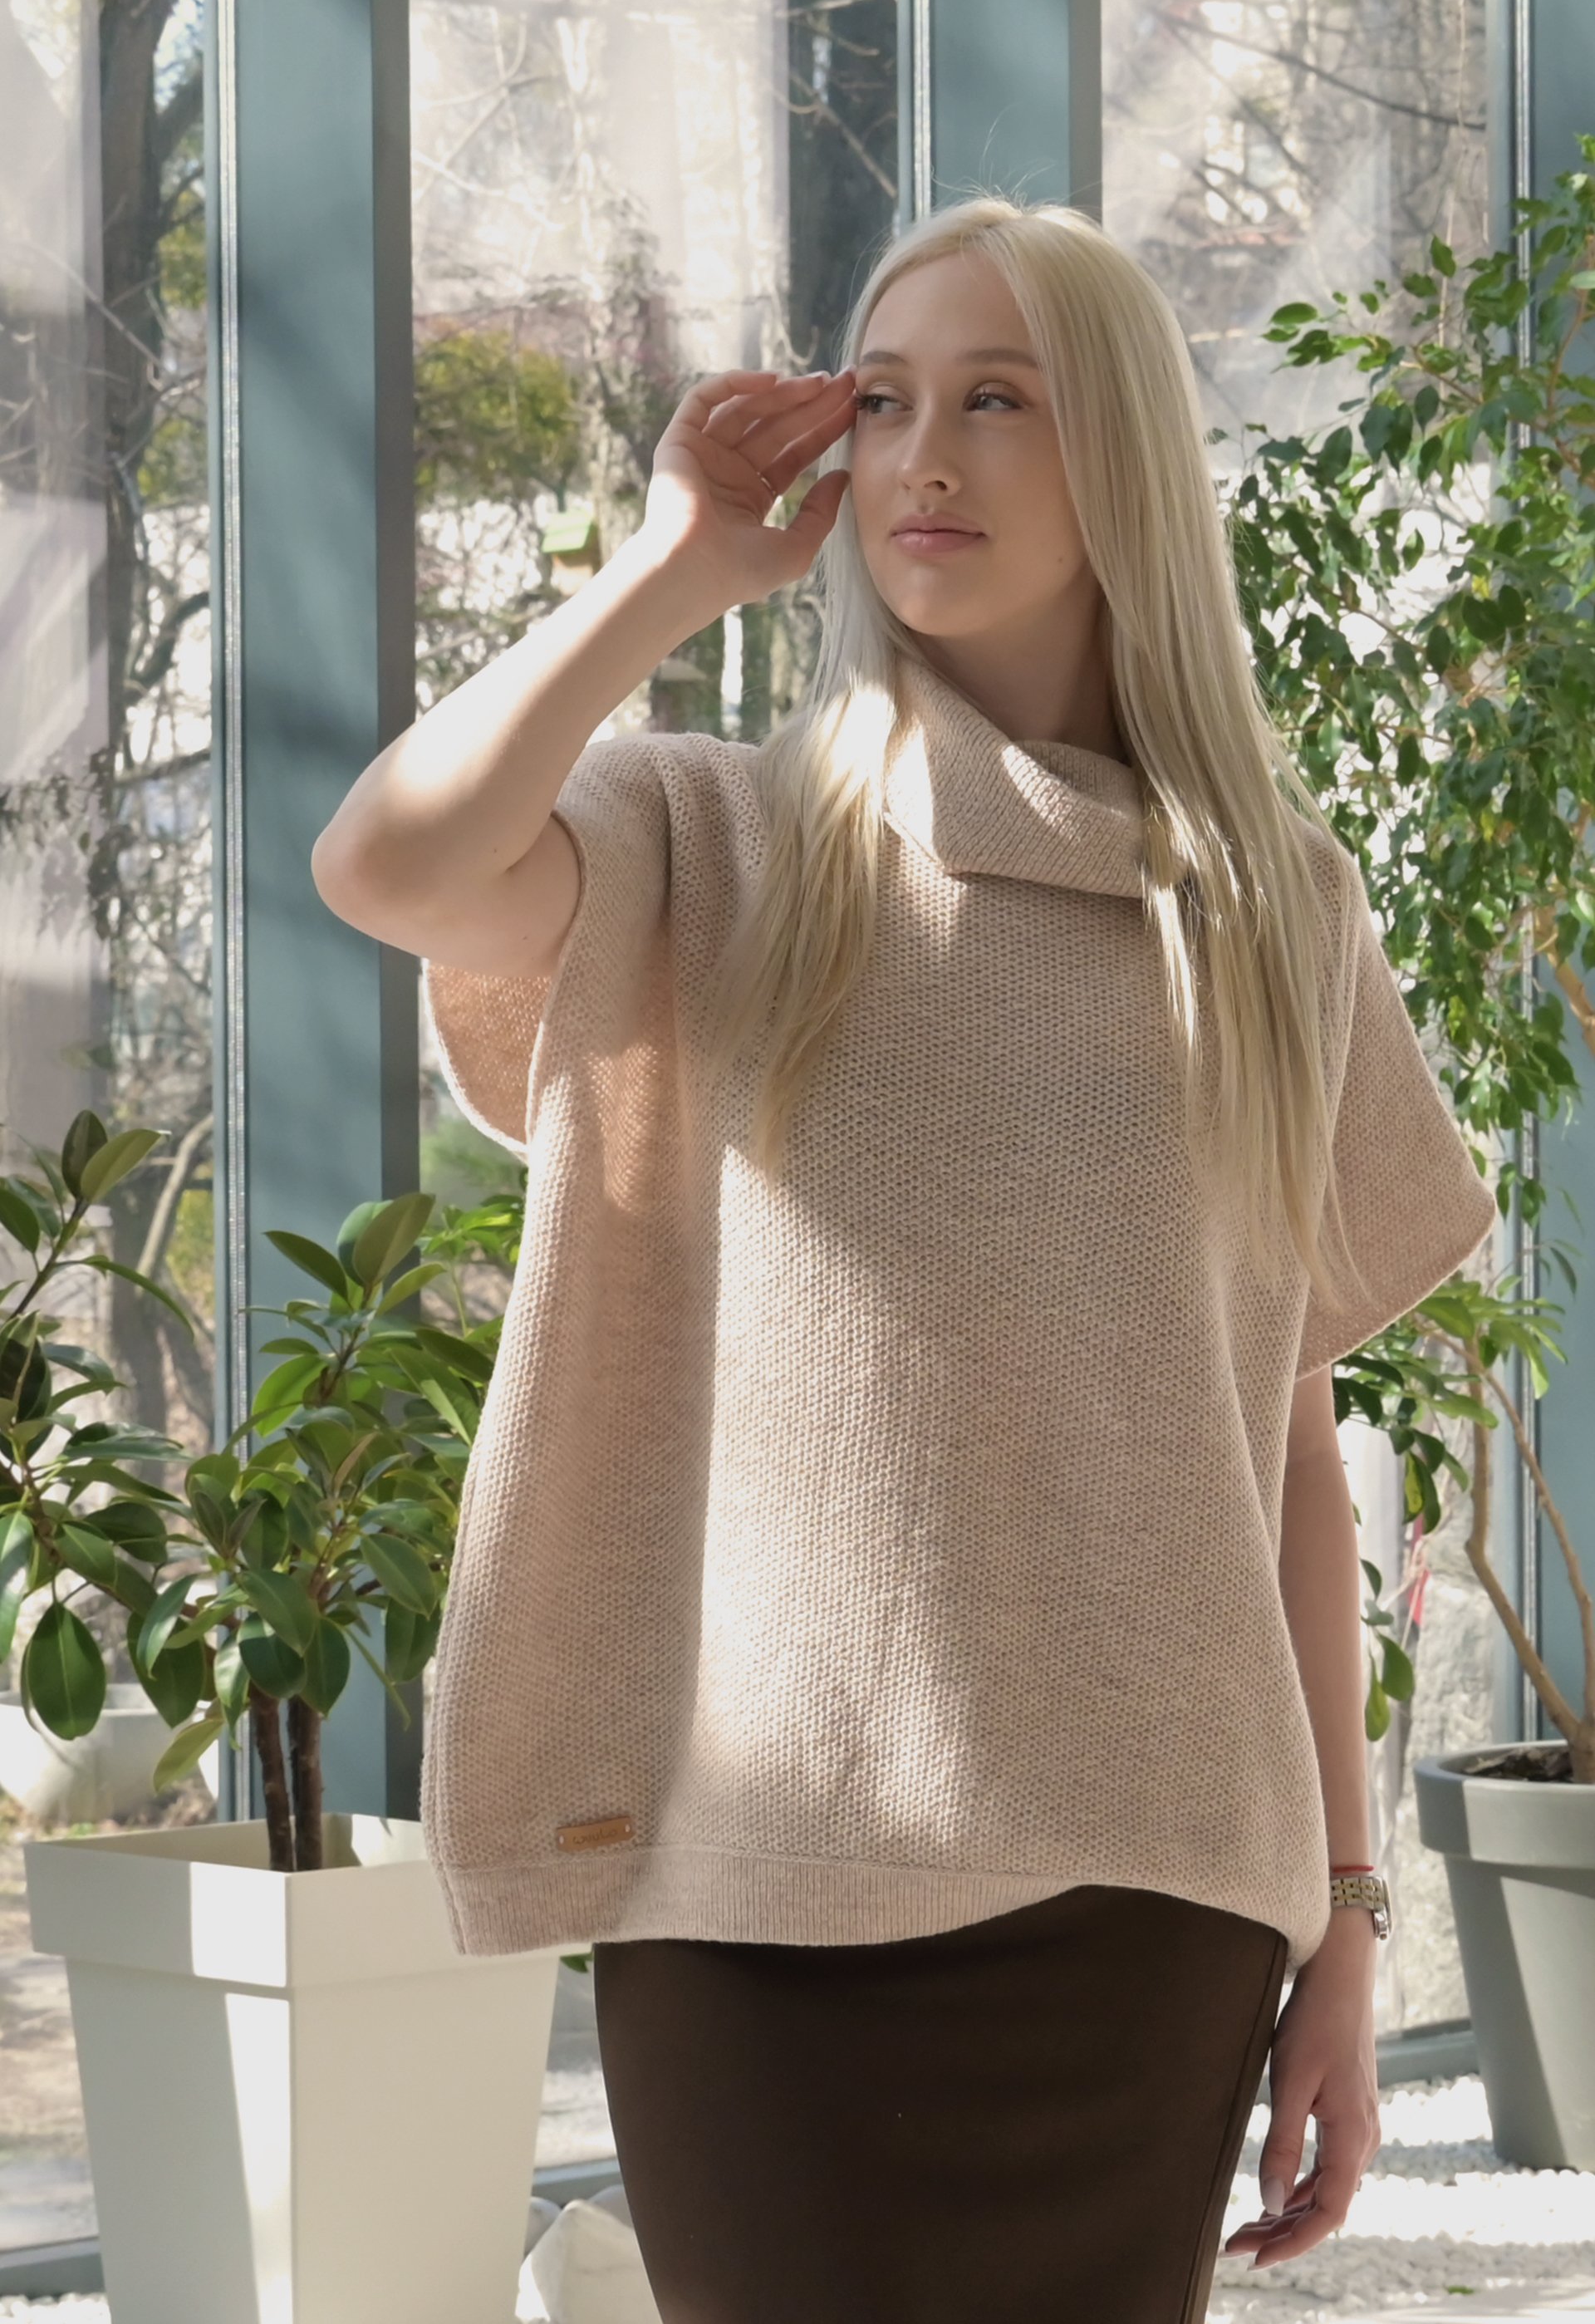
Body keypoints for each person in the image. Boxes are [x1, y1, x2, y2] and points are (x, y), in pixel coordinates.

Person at [312, 197, 1497, 2323]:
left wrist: (1345, 1916)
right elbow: (388, 864)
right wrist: (679, 564)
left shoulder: (1277, 910)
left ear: (1121, 453)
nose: (922, 457)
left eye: (999, 402)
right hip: (768, 1895)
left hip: (1158, 1898)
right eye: (883, 402)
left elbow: (1282, 1451)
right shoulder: (714, 841)